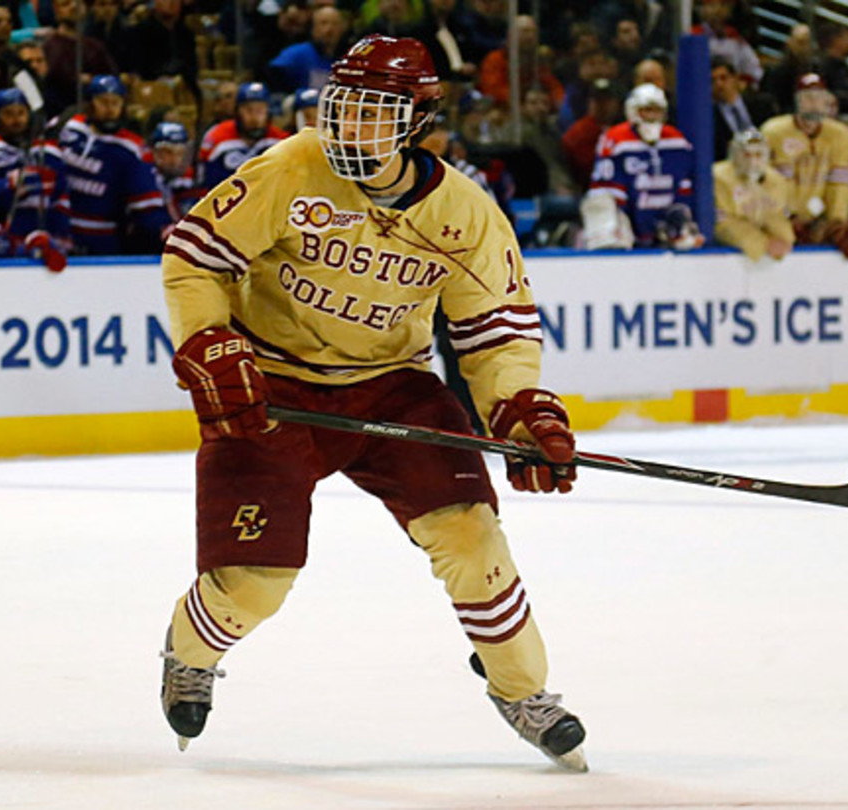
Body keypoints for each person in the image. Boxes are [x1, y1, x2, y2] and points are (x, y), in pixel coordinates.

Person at [157, 34, 588, 772]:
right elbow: (196, 257)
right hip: (272, 386)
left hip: (394, 385)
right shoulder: (291, 168)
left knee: (473, 536)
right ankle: (189, 654)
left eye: (374, 112)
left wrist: (519, 409)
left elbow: (496, 333)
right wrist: (209, 342)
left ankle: (522, 689)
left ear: (417, 119)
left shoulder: (467, 214)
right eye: (343, 109)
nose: (350, 129)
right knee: (254, 587)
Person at [57, 74, 169, 254]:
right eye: (103, 101)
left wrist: (163, 228)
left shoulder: (132, 149)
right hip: (60, 233)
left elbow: (148, 208)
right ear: (89, 104)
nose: (110, 109)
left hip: (102, 241)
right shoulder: (70, 127)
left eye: (115, 102)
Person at [583, 82, 701, 249]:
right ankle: (611, 231)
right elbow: (605, 188)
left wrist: (678, 217)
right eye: (646, 110)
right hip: (628, 214)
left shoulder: (677, 141)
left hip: (664, 215)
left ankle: (676, 231)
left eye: (656, 111)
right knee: (600, 201)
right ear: (633, 112)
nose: (652, 116)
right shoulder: (615, 139)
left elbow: (685, 186)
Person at [760, 73, 848, 253]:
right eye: (808, 98)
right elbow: (769, 181)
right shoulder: (774, 132)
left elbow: (840, 181)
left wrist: (835, 220)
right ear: (797, 102)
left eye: (820, 99)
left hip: (821, 221)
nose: (814, 104)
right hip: (783, 221)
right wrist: (786, 217)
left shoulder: (840, 134)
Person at [0, 86, 71, 247]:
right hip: (1, 236)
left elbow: (60, 191)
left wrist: (61, 234)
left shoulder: (48, 150)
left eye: (21, 113)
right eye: (8, 114)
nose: (16, 120)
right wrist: (11, 184)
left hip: (45, 234)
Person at [713, 128, 794, 261]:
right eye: (746, 154)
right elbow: (721, 224)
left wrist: (784, 238)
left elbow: (779, 216)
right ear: (734, 154)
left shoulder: (777, 180)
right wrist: (762, 243)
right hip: (726, 256)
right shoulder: (718, 178)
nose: (752, 161)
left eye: (758, 154)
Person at [197, 81, 289, 190]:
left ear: (268, 112)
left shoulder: (281, 140)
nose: (255, 118)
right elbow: (204, 183)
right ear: (237, 111)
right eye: (249, 110)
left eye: (260, 110)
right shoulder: (217, 136)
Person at [150, 121, 202, 221]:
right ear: (155, 152)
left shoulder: (193, 181)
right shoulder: (145, 178)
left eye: (180, 153)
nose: (175, 159)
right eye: (168, 152)